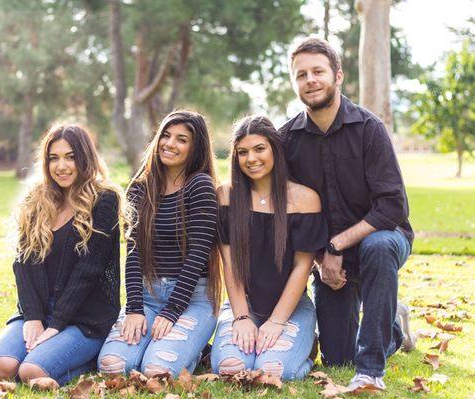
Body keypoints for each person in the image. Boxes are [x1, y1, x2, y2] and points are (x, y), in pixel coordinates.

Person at [279, 38, 415, 390]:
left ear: (337, 76)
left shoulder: (368, 128)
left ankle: (371, 371)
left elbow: (393, 206)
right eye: (301, 74)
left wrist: (336, 246)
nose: (310, 80)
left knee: (379, 246)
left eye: (318, 71)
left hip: (381, 240)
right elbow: (290, 212)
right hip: (326, 255)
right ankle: (392, 323)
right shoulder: (287, 140)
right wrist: (319, 258)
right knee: (338, 356)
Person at [0, 124, 122, 386]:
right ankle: (45, 359)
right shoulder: (37, 199)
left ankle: (88, 362)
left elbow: (88, 271)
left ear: (85, 158)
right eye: (54, 158)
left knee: (30, 372)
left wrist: (55, 326)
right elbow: (23, 263)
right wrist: (33, 317)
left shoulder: (104, 201)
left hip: (85, 318)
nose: (61, 166)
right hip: (39, 310)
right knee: (3, 367)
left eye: (70, 157)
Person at [97, 110, 221, 377]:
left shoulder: (200, 186)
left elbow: (198, 254)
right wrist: (134, 309)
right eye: (165, 136)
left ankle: (196, 349)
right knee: (113, 366)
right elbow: (132, 252)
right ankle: (168, 342)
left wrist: (173, 311)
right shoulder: (141, 187)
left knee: (157, 370)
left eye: (181, 139)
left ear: (195, 147)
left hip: (193, 299)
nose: (169, 144)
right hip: (149, 295)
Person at [210, 116, 327, 380]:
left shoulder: (305, 199)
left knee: (272, 370)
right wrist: (241, 318)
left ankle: (306, 349)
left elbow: (302, 267)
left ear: (275, 149)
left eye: (259, 148)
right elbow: (229, 264)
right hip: (244, 304)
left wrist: (276, 322)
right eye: (243, 152)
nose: (251, 158)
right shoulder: (226, 196)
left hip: (292, 307)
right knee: (230, 368)